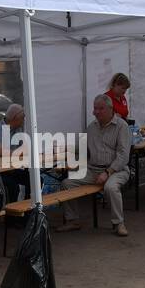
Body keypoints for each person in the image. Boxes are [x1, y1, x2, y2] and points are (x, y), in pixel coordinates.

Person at [57, 94, 131, 236]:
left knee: (110, 187)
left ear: (111, 109)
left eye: (100, 109)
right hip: (93, 170)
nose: (96, 112)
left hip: (117, 170)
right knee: (67, 183)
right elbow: (82, 147)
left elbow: (123, 156)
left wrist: (108, 172)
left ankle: (118, 223)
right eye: (95, 108)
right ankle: (73, 221)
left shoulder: (121, 126)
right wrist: (64, 148)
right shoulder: (92, 127)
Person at [0, 104, 29, 203]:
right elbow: (1, 152)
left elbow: (26, 149)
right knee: (12, 186)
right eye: (22, 118)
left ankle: (28, 210)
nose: (23, 121)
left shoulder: (17, 129)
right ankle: (12, 216)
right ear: (15, 118)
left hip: (11, 169)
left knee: (35, 180)